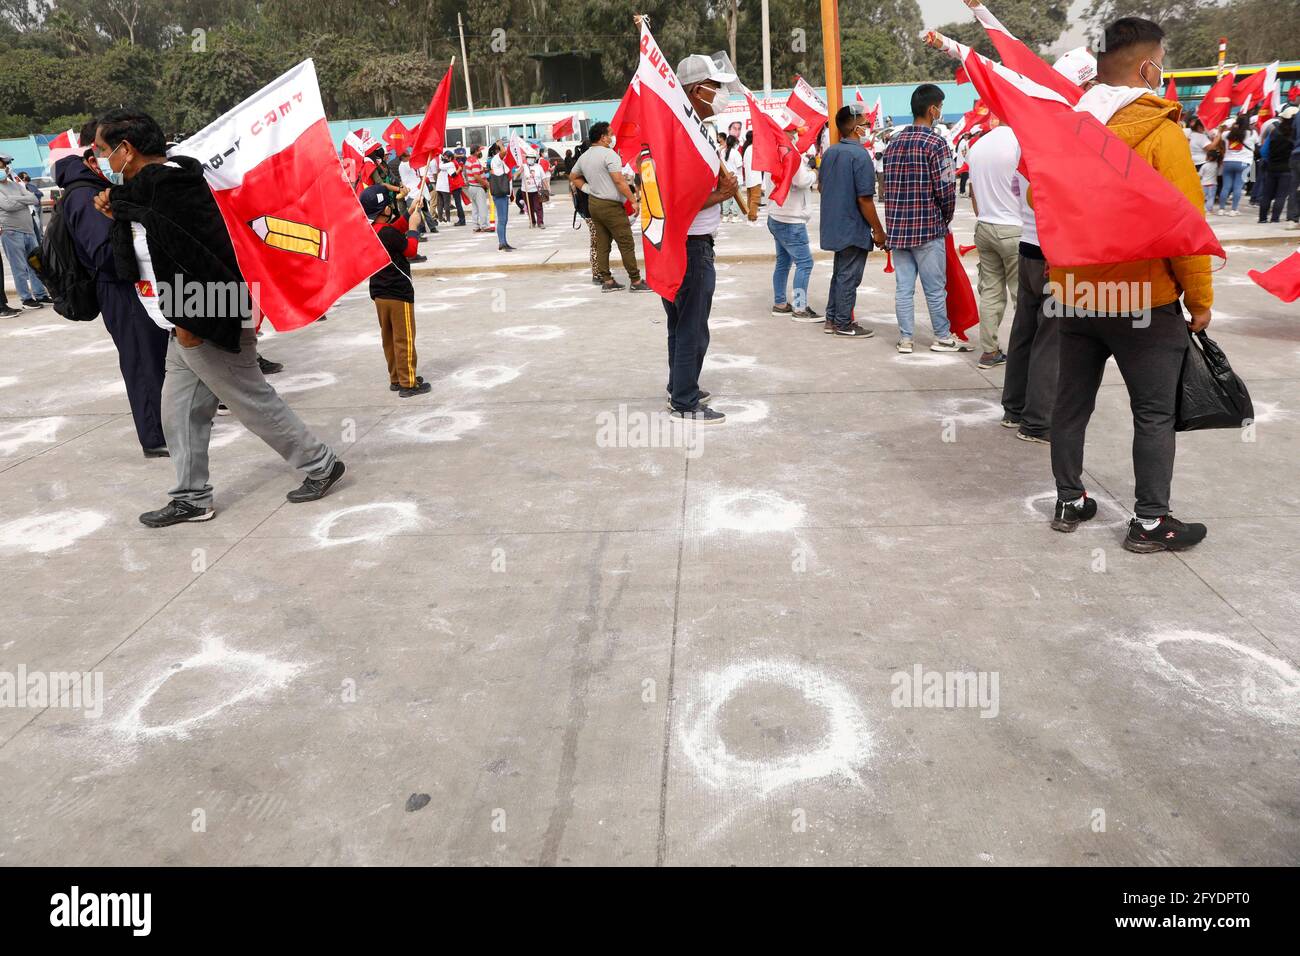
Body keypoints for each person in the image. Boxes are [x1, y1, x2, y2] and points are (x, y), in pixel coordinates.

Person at [92, 108, 345, 526]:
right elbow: (146, 232)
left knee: (249, 399)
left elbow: (198, 256)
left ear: (126, 149)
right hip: (181, 316)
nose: (100, 160)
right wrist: (117, 210)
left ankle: (320, 463)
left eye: (102, 150)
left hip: (205, 309)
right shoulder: (142, 194)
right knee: (179, 412)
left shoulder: (170, 186)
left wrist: (192, 320)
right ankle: (191, 497)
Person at [1048, 17, 1210, 552]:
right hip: (1144, 298)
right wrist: (1200, 298)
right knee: (1154, 413)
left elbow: (1040, 204)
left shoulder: (1071, 130)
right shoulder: (1160, 133)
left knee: (1071, 406)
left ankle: (1070, 500)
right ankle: (1148, 523)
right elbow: (1185, 223)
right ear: (1147, 66)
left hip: (1077, 296)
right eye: (1161, 61)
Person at [1000, 47, 1098, 447]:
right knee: (1050, 339)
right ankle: (1038, 422)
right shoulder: (1063, 138)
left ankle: (1014, 409)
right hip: (1052, 252)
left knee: (1025, 330)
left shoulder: (1030, 135)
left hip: (1027, 247)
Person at [55, 124, 169, 456]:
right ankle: (156, 436)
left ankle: (168, 423)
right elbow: (104, 253)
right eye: (104, 153)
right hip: (118, 289)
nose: (109, 159)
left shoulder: (98, 187)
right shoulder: (83, 195)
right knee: (141, 360)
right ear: (91, 159)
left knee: (156, 356)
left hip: (132, 284)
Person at [663, 52, 742, 424]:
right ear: (697, 90)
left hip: (682, 243)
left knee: (680, 324)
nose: (721, 94)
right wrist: (724, 195)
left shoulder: (687, 129)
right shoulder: (684, 134)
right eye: (716, 88)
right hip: (691, 245)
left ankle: (679, 385)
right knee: (692, 325)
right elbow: (680, 199)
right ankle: (685, 400)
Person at [883, 84, 970, 353]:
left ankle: (906, 339)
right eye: (940, 107)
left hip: (898, 230)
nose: (941, 112)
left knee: (903, 288)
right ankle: (942, 336)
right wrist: (946, 217)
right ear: (932, 109)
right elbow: (946, 188)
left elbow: (887, 188)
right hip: (928, 229)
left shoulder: (893, 143)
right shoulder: (937, 143)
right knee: (935, 289)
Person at [818, 103, 886, 337]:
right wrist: (878, 230)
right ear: (856, 128)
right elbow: (865, 199)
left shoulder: (829, 153)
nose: (868, 127)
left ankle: (832, 318)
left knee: (840, 273)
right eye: (866, 124)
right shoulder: (859, 155)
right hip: (852, 226)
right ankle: (844, 323)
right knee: (849, 276)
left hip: (834, 224)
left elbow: (821, 186)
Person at [360, 184, 429, 398]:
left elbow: (393, 231)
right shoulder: (388, 233)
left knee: (389, 339)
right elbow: (410, 249)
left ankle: (396, 378)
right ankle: (409, 383)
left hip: (380, 294)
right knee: (404, 338)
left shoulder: (371, 232)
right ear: (385, 209)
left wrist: (408, 214)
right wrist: (414, 227)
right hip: (399, 293)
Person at [965, 115, 1021, 369]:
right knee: (1023, 297)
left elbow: (973, 191)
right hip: (1015, 229)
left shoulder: (978, 146)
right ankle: (1026, 353)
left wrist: (985, 215)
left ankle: (989, 351)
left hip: (985, 226)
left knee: (990, 292)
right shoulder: (1020, 143)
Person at [568, 121, 650, 292]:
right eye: (611, 134)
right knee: (626, 242)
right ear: (603, 137)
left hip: (594, 204)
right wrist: (633, 200)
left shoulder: (584, 157)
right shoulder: (609, 154)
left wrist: (588, 189)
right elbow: (619, 181)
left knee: (602, 243)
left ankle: (607, 280)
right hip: (611, 205)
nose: (613, 137)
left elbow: (573, 176)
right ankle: (635, 281)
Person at [768, 133, 820, 322]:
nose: (798, 135)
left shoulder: (773, 152)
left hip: (777, 215)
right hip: (791, 219)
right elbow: (801, 180)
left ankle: (780, 303)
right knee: (805, 263)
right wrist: (814, 172)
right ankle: (799, 308)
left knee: (783, 262)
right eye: (795, 132)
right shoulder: (789, 153)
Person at [0, 153, 52, 309]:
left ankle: (41, 294)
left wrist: (17, 200)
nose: (4, 167)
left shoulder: (14, 184)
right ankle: (26, 298)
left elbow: (34, 198)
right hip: (11, 231)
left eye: (4, 165)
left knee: (35, 264)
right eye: (2, 165)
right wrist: (22, 200)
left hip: (28, 229)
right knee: (19, 267)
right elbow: (7, 206)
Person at [1257, 114, 1294, 224]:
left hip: (1271, 168)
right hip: (1287, 169)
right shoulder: (1294, 135)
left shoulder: (1274, 132)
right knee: (1281, 195)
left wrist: (1270, 161)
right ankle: (1275, 219)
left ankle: (1262, 218)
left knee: (1266, 194)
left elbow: (1264, 151)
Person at [1216, 126, 1251, 216]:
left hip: (1228, 162)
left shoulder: (1226, 134)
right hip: (1244, 163)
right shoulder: (1249, 133)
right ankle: (1233, 210)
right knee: (1238, 187)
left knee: (1226, 186)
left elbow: (1220, 135)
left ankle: (1221, 209)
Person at [487, 143, 515, 251]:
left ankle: (504, 242)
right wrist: (500, 144)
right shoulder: (496, 159)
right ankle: (502, 243)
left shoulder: (500, 162)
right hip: (500, 194)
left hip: (503, 193)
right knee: (502, 220)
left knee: (504, 220)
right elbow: (504, 152)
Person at [464, 145, 491, 233]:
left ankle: (476, 226)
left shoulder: (468, 160)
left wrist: (482, 170)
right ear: (476, 151)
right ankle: (484, 226)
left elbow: (467, 172)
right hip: (478, 187)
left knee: (475, 208)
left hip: (471, 187)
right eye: (480, 151)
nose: (481, 152)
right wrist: (486, 184)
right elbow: (476, 176)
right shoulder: (475, 161)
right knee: (482, 207)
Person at [720, 135, 745, 221]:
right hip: (736, 178)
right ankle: (735, 216)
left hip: (726, 178)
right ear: (734, 143)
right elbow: (739, 166)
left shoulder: (722, 152)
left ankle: (725, 216)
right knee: (736, 198)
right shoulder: (736, 153)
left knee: (726, 197)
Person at [741, 130, 762, 224]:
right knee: (755, 198)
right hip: (755, 177)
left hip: (750, 177)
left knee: (751, 198)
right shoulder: (753, 148)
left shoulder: (747, 149)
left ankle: (750, 218)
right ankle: (752, 218)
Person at [521, 155, 546, 228]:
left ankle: (540, 222)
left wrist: (547, 188)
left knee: (538, 207)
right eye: (529, 157)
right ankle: (532, 221)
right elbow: (515, 176)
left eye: (532, 158)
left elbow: (543, 178)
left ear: (535, 159)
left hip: (537, 190)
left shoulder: (538, 167)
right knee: (530, 207)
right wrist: (519, 171)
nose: (530, 159)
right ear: (526, 158)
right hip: (526, 191)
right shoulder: (523, 166)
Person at [17, 172, 43, 241]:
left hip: (38, 205)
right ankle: (38, 238)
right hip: (31, 207)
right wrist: (32, 195)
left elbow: (40, 193)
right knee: (36, 223)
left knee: (40, 223)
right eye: (26, 176)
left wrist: (34, 194)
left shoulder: (31, 185)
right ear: (22, 178)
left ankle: (41, 237)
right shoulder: (20, 187)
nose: (28, 177)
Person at [1199, 144, 1222, 212]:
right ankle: (1209, 209)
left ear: (1209, 157)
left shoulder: (1204, 165)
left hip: (1204, 184)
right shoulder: (1217, 165)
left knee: (1203, 197)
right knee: (1211, 197)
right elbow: (1219, 173)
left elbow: (1200, 175)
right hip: (1213, 184)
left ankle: (1202, 208)